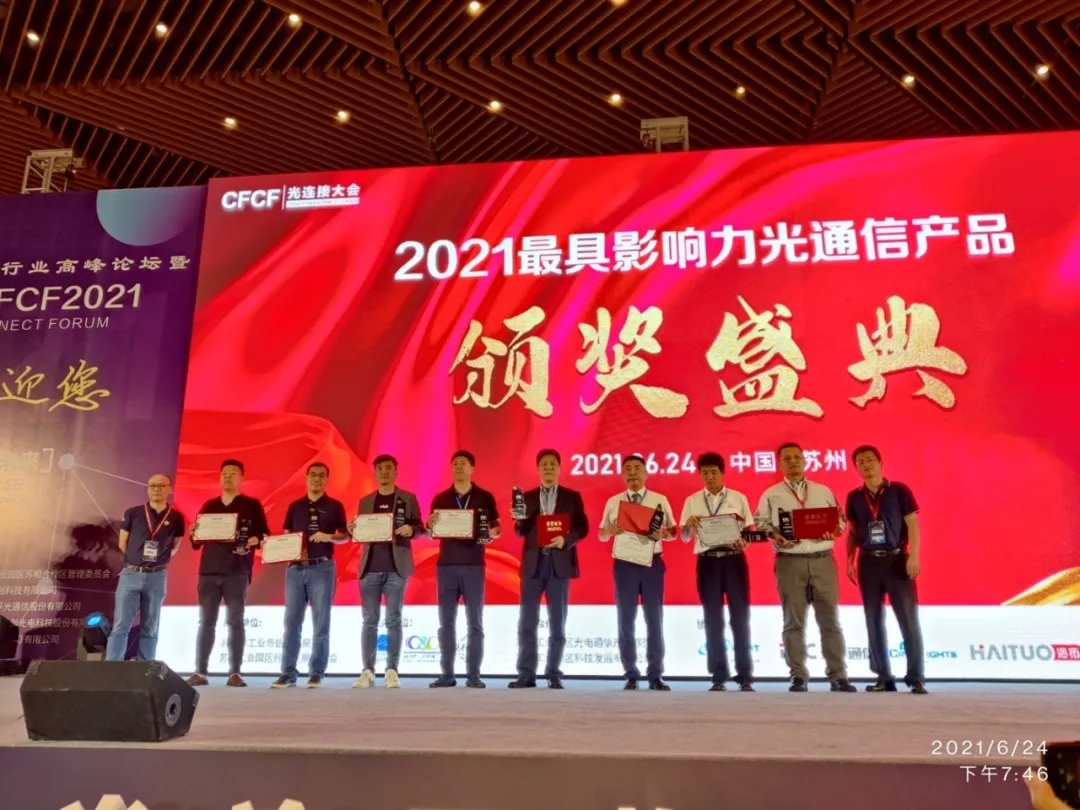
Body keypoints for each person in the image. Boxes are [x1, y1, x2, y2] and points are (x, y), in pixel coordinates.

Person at [754, 443, 856, 693]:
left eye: (796, 457)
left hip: (823, 560)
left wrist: (834, 531)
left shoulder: (823, 490)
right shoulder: (771, 494)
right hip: (790, 561)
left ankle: (838, 676)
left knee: (830, 620)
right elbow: (760, 524)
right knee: (793, 622)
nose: (793, 461)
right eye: (787, 458)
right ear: (780, 464)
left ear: (805, 460)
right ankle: (798, 675)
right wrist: (775, 535)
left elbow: (841, 521)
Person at [845, 445, 927, 694]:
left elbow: (913, 525)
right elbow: (852, 531)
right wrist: (849, 560)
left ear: (880, 463)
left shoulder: (899, 490)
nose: (866, 464)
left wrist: (914, 556)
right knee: (873, 620)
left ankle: (916, 677)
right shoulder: (854, 497)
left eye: (870, 460)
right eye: (860, 462)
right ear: (856, 467)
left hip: (897, 560)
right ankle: (883, 676)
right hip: (868, 562)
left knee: (908, 619)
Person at [508, 449, 589, 689]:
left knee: (557, 622)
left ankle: (554, 673)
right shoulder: (528, 497)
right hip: (533, 564)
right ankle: (526, 674)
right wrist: (518, 520)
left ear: (559, 468)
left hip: (559, 564)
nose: (548, 468)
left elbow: (583, 528)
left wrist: (566, 539)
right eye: (544, 464)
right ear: (538, 469)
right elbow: (521, 531)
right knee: (527, 622)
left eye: (553, 464)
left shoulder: (572, 497)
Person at [187, 459, 269, 688]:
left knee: (235, 621)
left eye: (233, 473)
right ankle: (200, 671)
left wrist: (253, 540)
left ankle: (235, 672)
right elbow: (196, 542)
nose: (228, 476)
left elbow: (264, 536)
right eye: (224, 473)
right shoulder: (210, 505)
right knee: (206, 621)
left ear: (242, 478)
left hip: (237, 571)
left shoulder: (251, 505)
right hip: (208, 571)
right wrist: (193, 532)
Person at [598, 454, 677, 691]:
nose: (632, 473)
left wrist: (663, 534)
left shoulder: (659, 500)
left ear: (646, 473)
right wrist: (610, 530)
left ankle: (655, 675)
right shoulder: (614, 502)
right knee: (626, 618)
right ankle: (631, 673)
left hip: (652, 563)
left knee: (654, 619)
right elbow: (601, 534)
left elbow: (673, 531)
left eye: (637, 469)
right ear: (623, 475)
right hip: (624, 564)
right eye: (628, 470)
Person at [679, 452, 755, 692]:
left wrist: (745, 541)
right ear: (700, 475)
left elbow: (749, 530)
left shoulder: (738, 498)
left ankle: (745, 675)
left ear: (723, 473)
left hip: (734, 560)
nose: (709, 476)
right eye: (705, 473)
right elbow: (684, 537)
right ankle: (718, 675)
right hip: (707, 561)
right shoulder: (692, 501)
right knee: (712, 618)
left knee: (740, 617)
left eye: (713, 472)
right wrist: (688, 525)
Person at [270, 462, 349, 689]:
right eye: (313, 475)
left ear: (327, 479)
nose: (316, 478)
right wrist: (286, 550)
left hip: (322, 568)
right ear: (306, 478)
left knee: (321, 622)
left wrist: (328, 537)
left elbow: (345, 536)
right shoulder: (295, 506)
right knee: (291, 622)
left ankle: (316, 672)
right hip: (296, 569)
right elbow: (287, 536)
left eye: (321, 475)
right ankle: (287, 672)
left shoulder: (335, 506)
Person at [428, 450, 501, 688]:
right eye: (455, 464)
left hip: (474, 564)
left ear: (472, 468)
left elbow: (497, 528)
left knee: (475, 622)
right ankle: (447, 674)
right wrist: (430, 525)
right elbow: (431, 531)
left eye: (463, 463)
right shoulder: (440, 499)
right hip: (446, 565)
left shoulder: (485, 497)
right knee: (446, 623)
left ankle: (474, 675)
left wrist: (490, 534)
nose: (459, 467)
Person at [352, 454, 425, 689]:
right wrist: (353, 528)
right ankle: (367, 670)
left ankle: (392, 670)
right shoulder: (365, 501)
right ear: (374, 472)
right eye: (380, 468)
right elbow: (360, 531)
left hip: (396, 568)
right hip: (369, 568)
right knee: (369, 621)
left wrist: (411, 530)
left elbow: (421, 529)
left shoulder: (408, 498)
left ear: (396, 471)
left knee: (394, 620)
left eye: (388, 467)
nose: (384, 471)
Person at [106, 473, 186, 661]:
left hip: (157, 577)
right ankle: (112, 668)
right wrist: (137, 560)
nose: (156, 489)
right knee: (120, 624)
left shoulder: (176, 517)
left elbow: (175, 547)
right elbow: (123, 543)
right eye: (152, 485)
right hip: (131, 574)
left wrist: (157, 562)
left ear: (170, 489)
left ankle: (146, 668)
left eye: (161, 485)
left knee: (150, 626)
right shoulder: (133, 513)